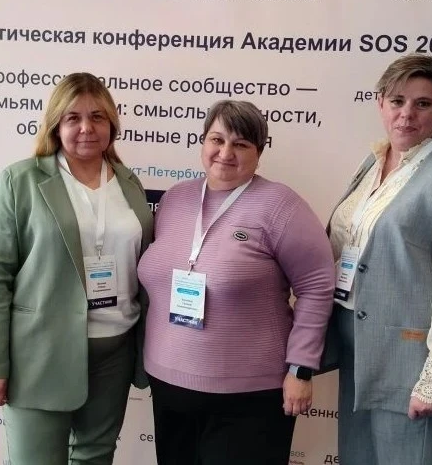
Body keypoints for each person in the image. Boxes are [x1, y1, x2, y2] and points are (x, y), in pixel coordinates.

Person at [323, 54, 432, 465]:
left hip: (412, 362)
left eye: (422, 103)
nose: (406, 114)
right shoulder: (373, 163)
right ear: (380, 103)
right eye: (397, 101)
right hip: (357, 347)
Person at [138, 100, 335, 465]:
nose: (225, 153)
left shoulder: (281, 205)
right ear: (203, 142)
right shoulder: (175, 199)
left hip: (249, 398)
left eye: (241, 144)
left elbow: (316, 285)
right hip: (169, 386)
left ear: (258, 152)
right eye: (217, 139)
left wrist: (300, 367)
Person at [0, 72, 154, 465]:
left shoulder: (129, 183)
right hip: (40, 351)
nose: (87, 128)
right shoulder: (21, 180)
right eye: (73, 118)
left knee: (96, 456)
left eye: (97, 117)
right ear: (56, 125)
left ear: (112, 124)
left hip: (115, 350)